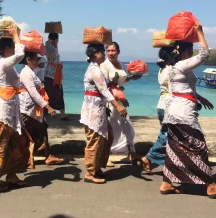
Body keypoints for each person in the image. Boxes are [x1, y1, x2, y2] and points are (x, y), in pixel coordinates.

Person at [160, 23, 216, 199]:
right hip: (183, 114)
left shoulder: (175, 68)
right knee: (197, 147)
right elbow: (205, 54)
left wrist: (200, 98)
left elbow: (181, 88)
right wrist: (200, 32)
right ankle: (211, 185)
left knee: (175, 148)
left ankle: (166, 183)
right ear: (185, 52)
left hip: (175, 112)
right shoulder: (183, 65)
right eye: (191, 49)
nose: (192, 53)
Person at [0, 26, 31, 192]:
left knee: (13, 145)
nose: (14, 49)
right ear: (6, 49)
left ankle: (11, 175)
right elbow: (20, 55)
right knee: (0, 146)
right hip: (3, 111)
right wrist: (16, 35)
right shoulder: (3, 64)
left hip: (10, 111)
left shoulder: (7, 66)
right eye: (12, 46)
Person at [80, 44, 127, 184]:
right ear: (96, 54)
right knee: (94, 140)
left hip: (99, 108)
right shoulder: (95, 70)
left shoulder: (97, 69)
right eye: (102, 52)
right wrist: (117, 106)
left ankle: (97, 166)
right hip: (93, 109)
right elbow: (103, 90)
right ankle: (90, 171)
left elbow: (108, 87)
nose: (104, 54)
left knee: (107, 137)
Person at [100, 42, 142, 166]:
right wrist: (118, 99)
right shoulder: (104, 66)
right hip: (110, 100)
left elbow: (120, 82)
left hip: (119, 98)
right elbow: (105, 87)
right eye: (108, 51)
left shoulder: (119, 64)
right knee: (108, 129)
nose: (110, 53)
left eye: (113, 51)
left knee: (126, 125)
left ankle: (131, 152)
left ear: (118, 52)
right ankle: (105, 156)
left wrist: (132, 78)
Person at [19, 51, 64, 166]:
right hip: (27, 109)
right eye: (35, 59)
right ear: (29, 60)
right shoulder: (26, 73)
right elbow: (33, 93)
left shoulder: (31, 72)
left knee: (42, 129)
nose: (37, 61)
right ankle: (27, 158)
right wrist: (48, 107)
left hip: (34, 108)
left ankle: (46, 156)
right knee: (32, 133)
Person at [141, 47, 173, 174]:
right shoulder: (170, 70)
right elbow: (173, 91)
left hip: (161, 105)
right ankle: (149, 158)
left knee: (169, 135)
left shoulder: (162, 70)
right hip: (169, 106)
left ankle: (170, 162)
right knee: (165, 135)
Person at [44, 33, 72, 121]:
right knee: (57, 92)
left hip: (51, 73)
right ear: (55, 40)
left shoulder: (49, 46)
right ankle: (61, 113)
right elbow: (53, 54)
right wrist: (54, 44)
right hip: (52, 74)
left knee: (50, 92)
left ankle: (52, 111)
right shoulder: (51, 48)